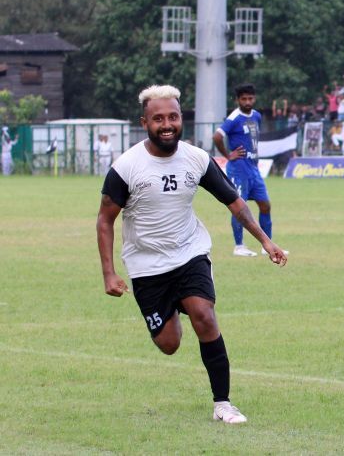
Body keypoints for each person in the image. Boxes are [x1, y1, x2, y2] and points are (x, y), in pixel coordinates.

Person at [96, 85, 288, 424]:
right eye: (158, 119)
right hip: (146, 265)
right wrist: (109, 273)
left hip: (190, 252)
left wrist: (265, 241)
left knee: (204, 315)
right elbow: (105, 220)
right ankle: (173, 308)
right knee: (169, 343)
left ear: (181, 118)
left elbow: (234, 202)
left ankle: (223, 404)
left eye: (173, 116)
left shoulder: (197, 159)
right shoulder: (126, 168)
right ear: (145, 123)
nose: (167, 124)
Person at [213, 84, 273, 257]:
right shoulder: (234, 118)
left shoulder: (257, 116)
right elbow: (217, 137)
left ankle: (266, 245)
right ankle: (239, 246)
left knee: (265, 205)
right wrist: (228, 155)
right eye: (244, 99)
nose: (247, 102)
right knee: (239, 207)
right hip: (239, 169)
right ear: (237, 100)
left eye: (250, 98)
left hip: (253, 169)